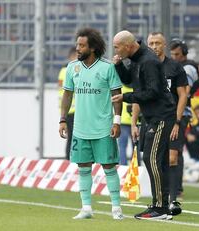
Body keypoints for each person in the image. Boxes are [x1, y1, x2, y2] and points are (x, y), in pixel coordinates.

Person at [59, 28, 123, 220]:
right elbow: (67, 95)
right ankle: (86, 208)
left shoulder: (107, 67)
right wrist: (63, 119)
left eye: (82, 45)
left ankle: (116, 209)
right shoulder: (72, 68)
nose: (77, 48)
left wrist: (117, 121)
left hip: (103, 128)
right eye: (77, 45)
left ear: (93, 47)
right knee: (83, 167)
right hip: (80, 128)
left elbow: (116, 96)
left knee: (109, 167)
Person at [112, 30, 176, 220]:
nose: (115, 50)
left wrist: (126, 97)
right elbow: (129, 81)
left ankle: (160, 208)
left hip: (162, 116)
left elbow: (153, 92)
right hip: (153, 117)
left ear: (128, 46)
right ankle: (161, 206)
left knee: (151, 159)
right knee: (155, 160)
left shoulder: (148, 61)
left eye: (117, 47)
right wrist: (118, 65)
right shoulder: (135, 58)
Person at [145, 32, 187, 216]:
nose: (154, 46)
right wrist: (134, 122)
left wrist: (177, 121)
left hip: (172, 119)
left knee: (171, 158)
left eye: (157, 43)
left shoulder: (174, 67)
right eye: (151, 43)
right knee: (156, 160)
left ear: (164, 45)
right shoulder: (144, 67)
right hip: (153, 120)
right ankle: (161, 200)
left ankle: (172, 198)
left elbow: (183, 95)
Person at [169, 38, 199, 203]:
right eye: (172, 54)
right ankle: (174, 186)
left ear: (185, 54)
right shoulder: (176, 66)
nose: (174, 57)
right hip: (172, 112)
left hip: (181, 113)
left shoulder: (187, 68)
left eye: (177, 54)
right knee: (173, 151)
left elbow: (185, 93)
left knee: (176, 151)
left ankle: (177, 188)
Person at [58, 47, 77, 160]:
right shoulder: (69, 70)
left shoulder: (62, 71)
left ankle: (68, 158)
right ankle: (70, 158)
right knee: (73, 137)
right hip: (73, 108)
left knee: (71, 136)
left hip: (67, 109)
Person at [118, 85, 134, 165]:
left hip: (123, 121)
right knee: (136, 147)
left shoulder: (121, 88)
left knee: (122, 146)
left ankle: (123, 166)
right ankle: (136, 166)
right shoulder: (136, 88)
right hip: (135, 122)